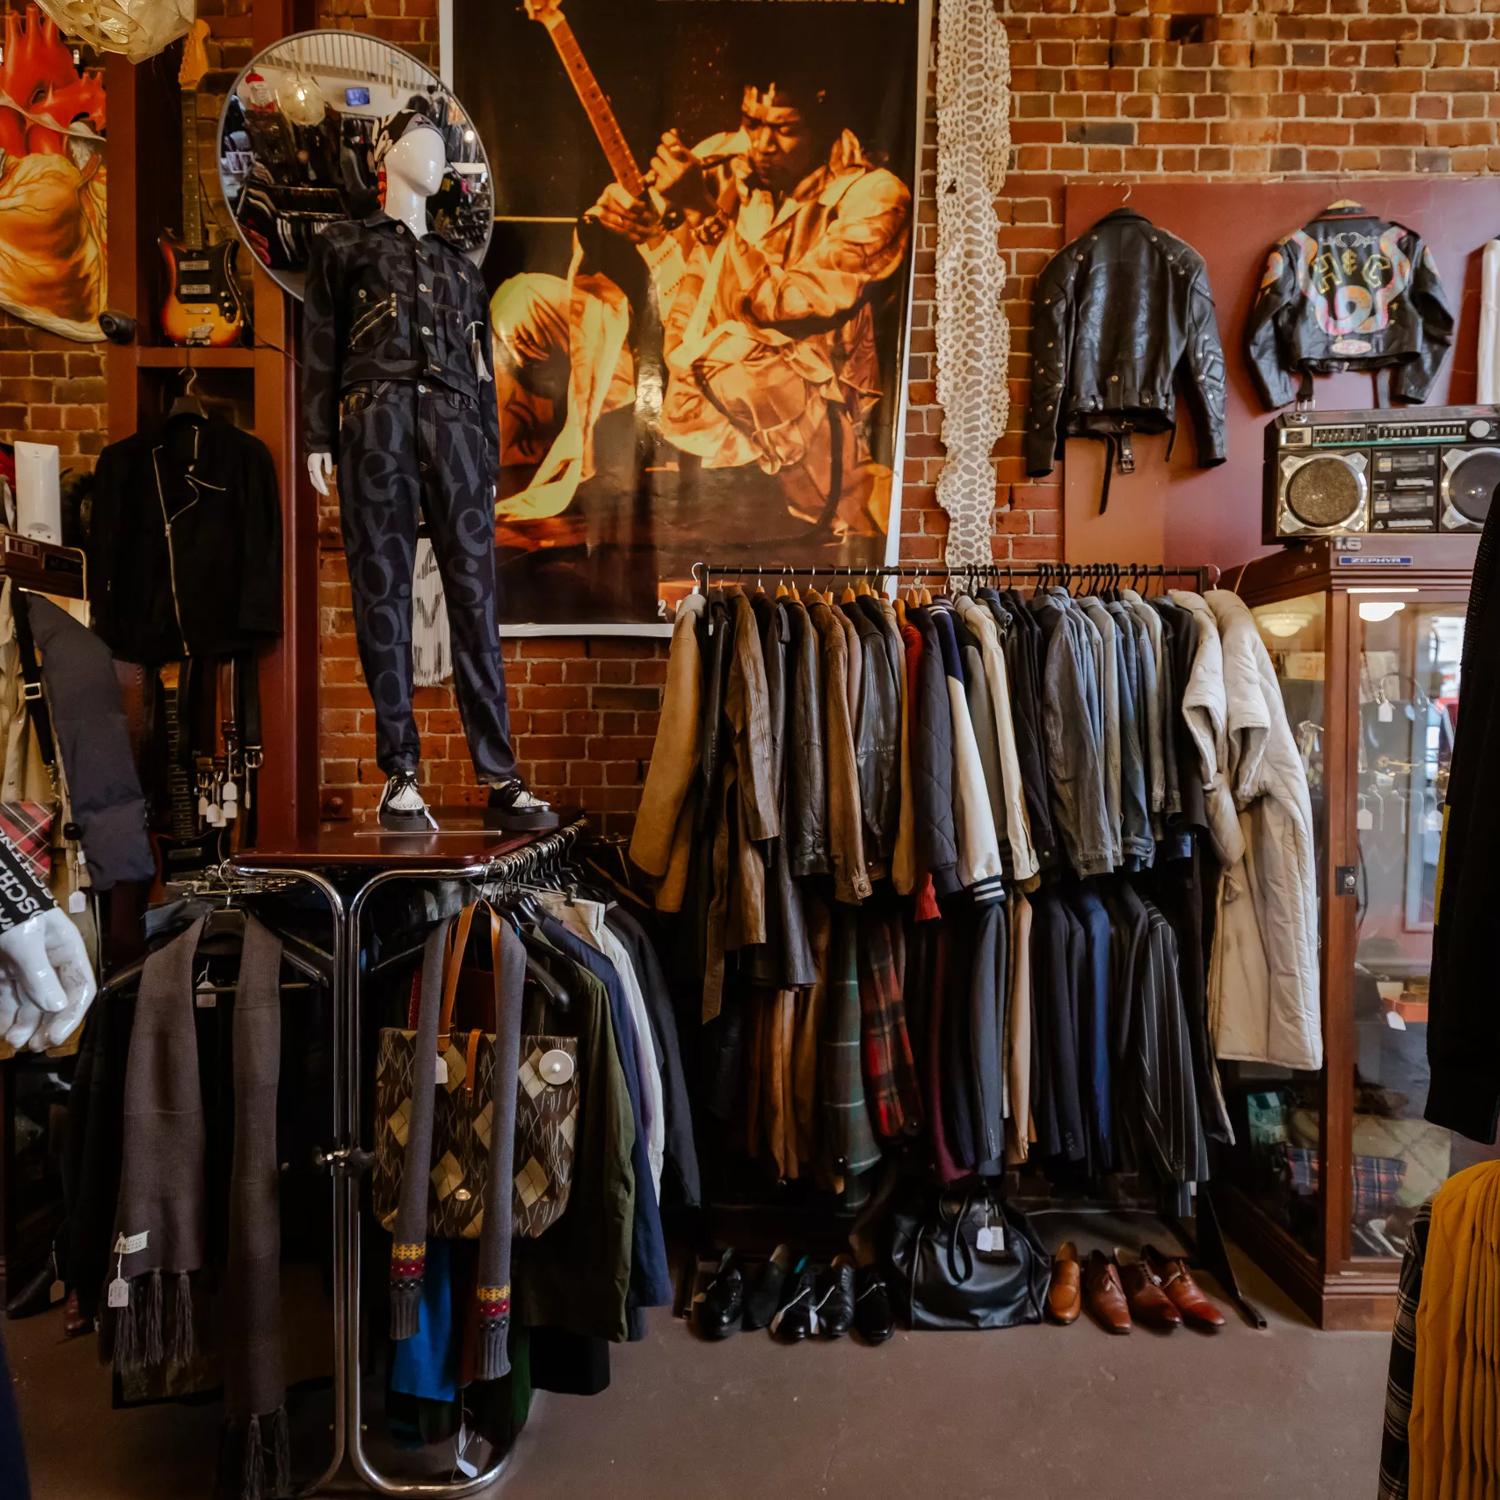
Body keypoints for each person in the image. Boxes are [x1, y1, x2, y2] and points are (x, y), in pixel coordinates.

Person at [490, 62, 912, 541]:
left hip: (798, 402)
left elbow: (783, 307)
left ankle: (791, 503)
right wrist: (619, 216)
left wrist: (707, 215)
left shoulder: (876, 197)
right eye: (751, 123)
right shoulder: (724, 158)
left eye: (784, 129)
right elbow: (650, 224)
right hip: (685, 367)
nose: (761, 144)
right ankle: (526, 487)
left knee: (726, 353)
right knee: (520, 302)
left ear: (828, 123)